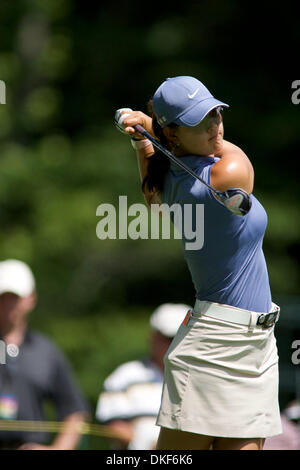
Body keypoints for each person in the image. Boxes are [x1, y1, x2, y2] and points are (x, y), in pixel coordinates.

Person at [114, 76, 282, 450]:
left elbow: (151, 180)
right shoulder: (222, 176)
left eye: (215, 113)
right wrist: (151, 130)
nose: (213, 126)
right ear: (173, 135)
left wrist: (145, 136)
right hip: (214, 348)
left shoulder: (172, 174)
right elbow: (234, 156)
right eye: (198, 122)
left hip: (258, 345)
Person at [0, 259, 90, 450]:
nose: (8, 304)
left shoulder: (45, 351)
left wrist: (56, 450)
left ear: (31, 299)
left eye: (14, 297)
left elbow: (74, 411)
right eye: (3, 297)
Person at [95, 303, 191, 450]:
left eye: (183, 336)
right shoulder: (125, 375)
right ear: (152, 337)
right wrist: (150, 445)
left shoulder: (204, 379)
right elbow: (114, 426)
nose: (175, 343)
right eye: (169, 337)